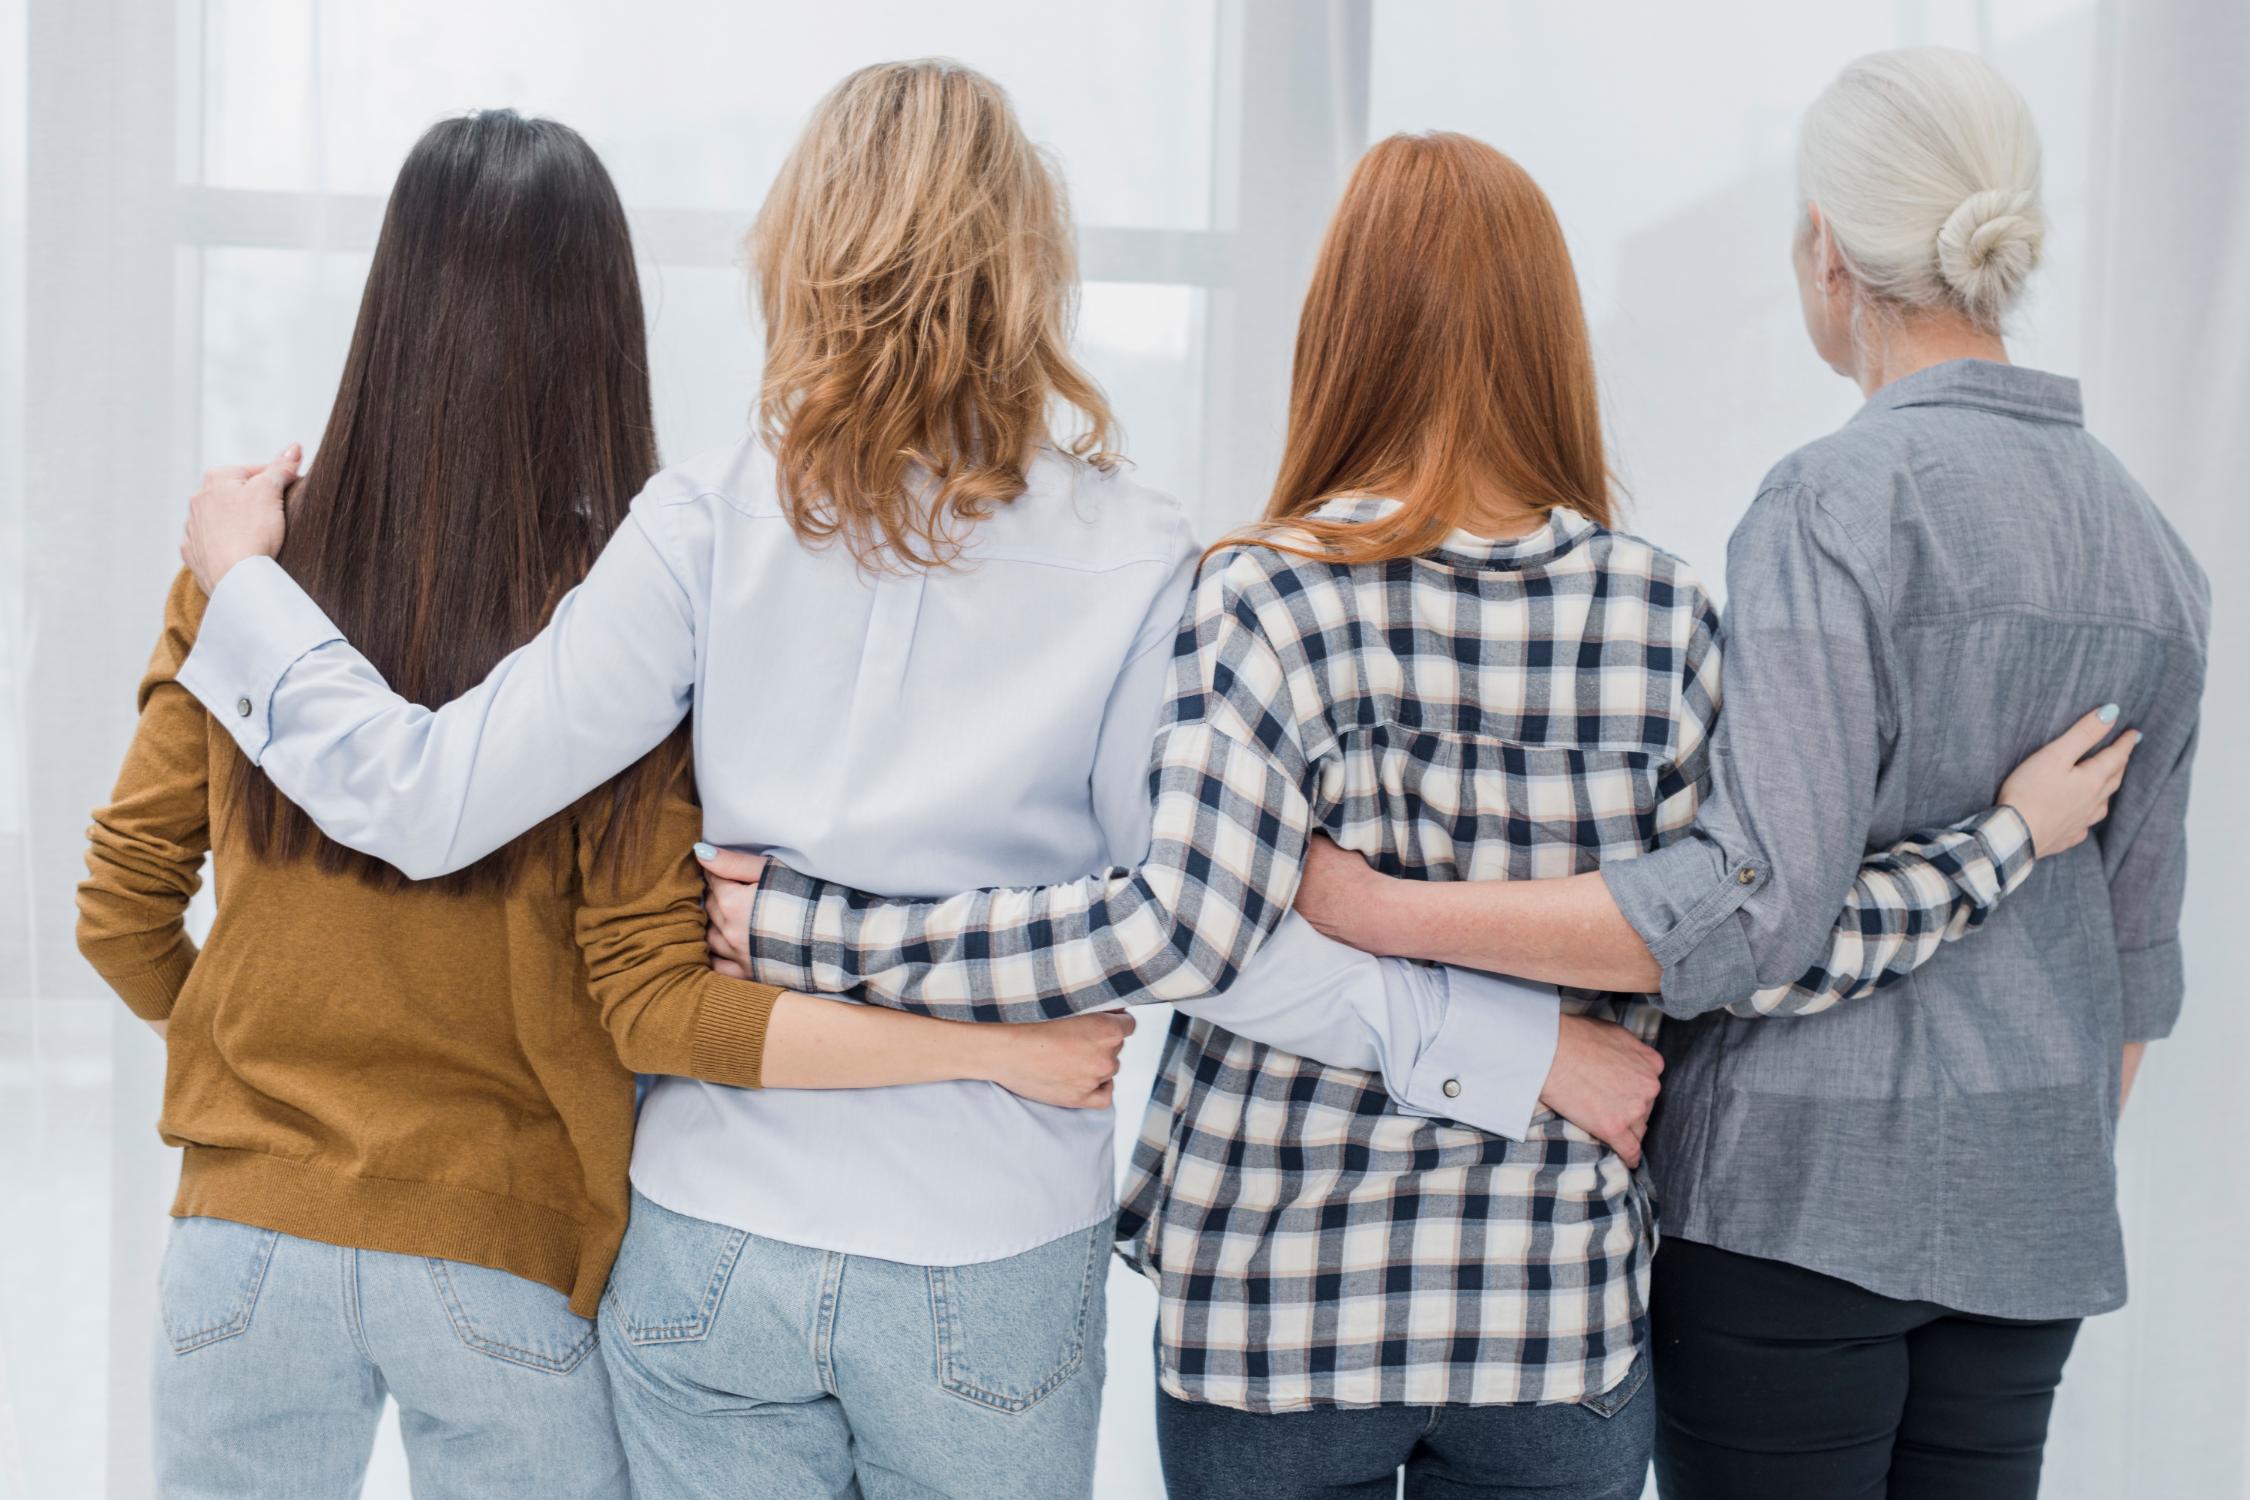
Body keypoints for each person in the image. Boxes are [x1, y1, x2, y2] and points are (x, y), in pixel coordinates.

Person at [162, 62, 1620, 1500]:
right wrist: (1510, 1053)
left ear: (801, 252)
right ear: (1028, 264)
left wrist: (238, 582)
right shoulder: (1137, 552)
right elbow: (1200, 932)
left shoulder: (707, 521)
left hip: (713, 1235)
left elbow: (426, 796)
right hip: (983, 1245)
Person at [692, 131, 2118, 1500]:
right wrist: (2001, 844)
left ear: (1339, 333)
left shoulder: (1261, 593)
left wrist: (814, 931)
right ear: (1551, 337)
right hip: (1544, 1313)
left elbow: (1174, 929)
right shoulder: (1658, 614)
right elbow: (1765, 941)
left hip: (1275, 1306)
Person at [75, 109, 1124, 1500]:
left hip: (240, 1243)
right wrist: (984, 1047)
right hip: (506, 1258)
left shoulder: (247, 569)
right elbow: (653, 1003)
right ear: (604, 329)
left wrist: (247, 1066)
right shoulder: (617, 610)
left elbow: (120, 909)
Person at [1282, 49, 2208, 1500]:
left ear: (1824, 251)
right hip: (2033, 1217)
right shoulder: (2156, 553)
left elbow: (1747, 914)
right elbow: (2138, 965)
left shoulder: (1829, 501)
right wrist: (2021, 1158)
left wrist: (1389, 909)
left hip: (1791, 1211)